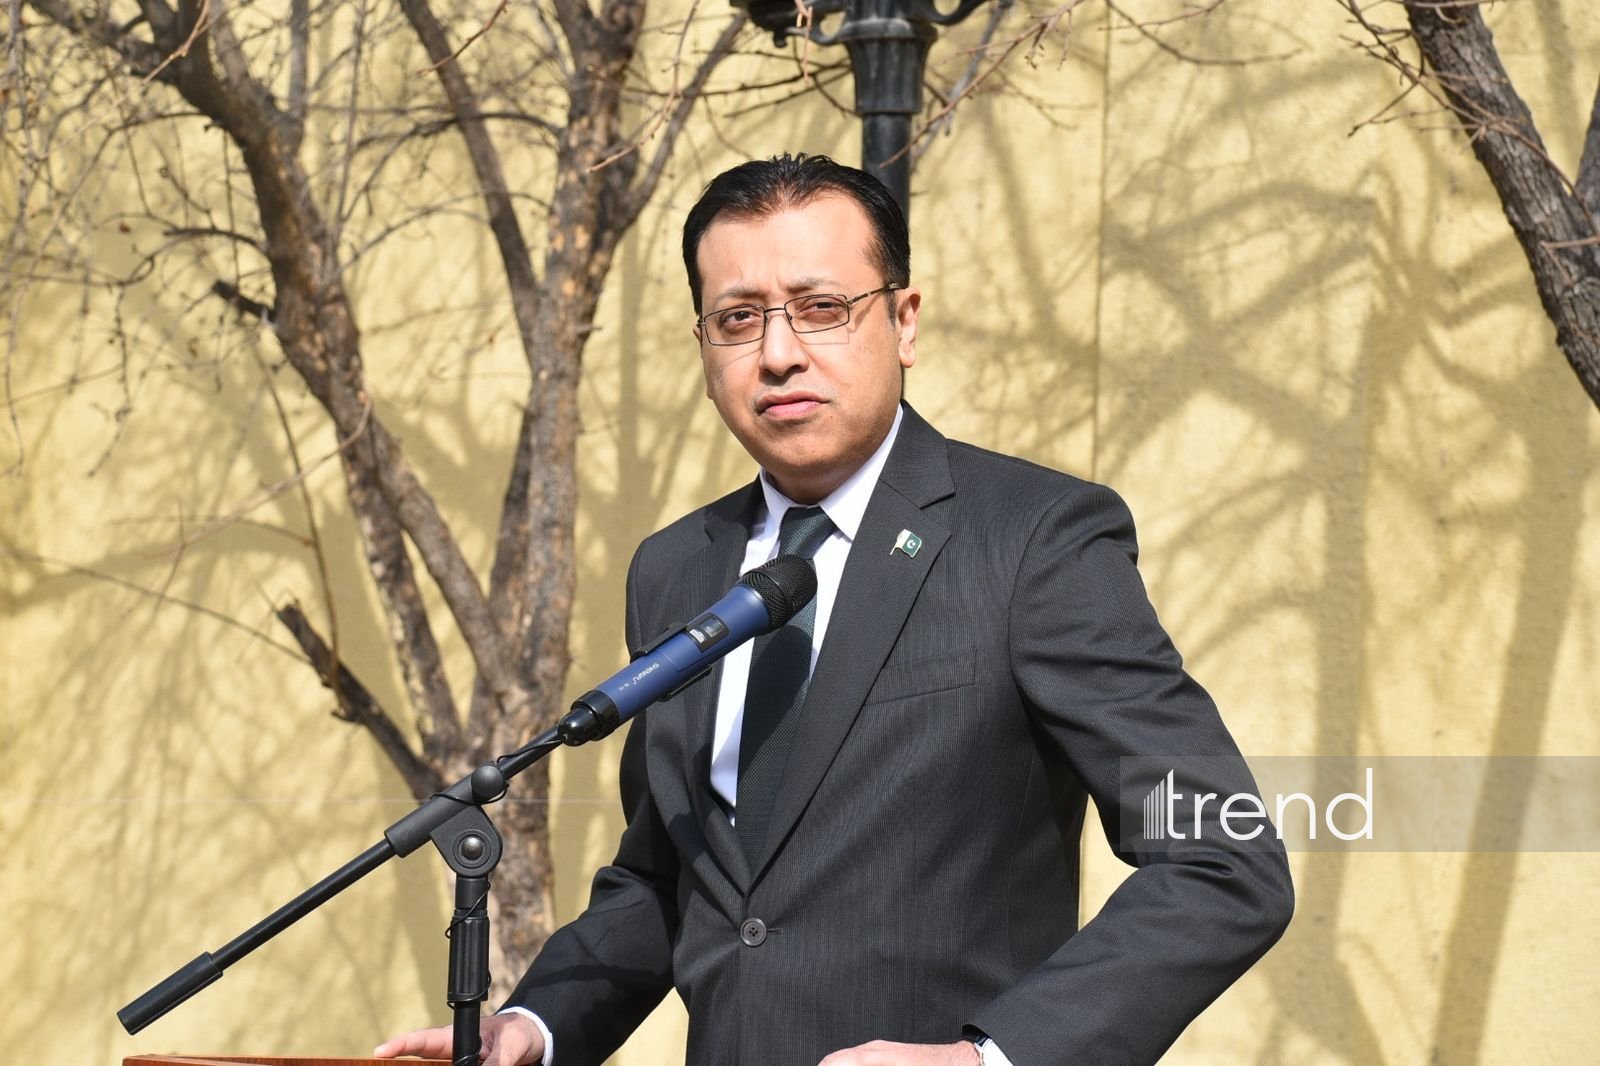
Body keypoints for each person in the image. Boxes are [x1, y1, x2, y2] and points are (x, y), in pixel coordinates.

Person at [376, 154, 1293, 1066]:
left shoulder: (1034, 540)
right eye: (739, 319)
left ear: (903, 322)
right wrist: (534, 1027)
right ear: (705, 350)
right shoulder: (676, 569)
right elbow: (671, 879)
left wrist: (988, 1060)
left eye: (822, 309)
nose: (778, 353)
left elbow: (1223, 859)